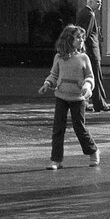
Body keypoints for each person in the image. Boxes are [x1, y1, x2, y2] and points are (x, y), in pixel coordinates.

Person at [38, 25, 99, 169]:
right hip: (61, 97)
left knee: (79, 127)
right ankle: (56, 160)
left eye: (83, 38)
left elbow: (90, 76)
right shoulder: (59, 57)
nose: (81, 40)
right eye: (78, 37)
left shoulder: (84, 58)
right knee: (58, 128)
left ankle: (93, 151)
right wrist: (47, 83)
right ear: (68, 39)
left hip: (78, 99)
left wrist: (87, 87)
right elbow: (54, 74)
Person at [76, 0, 110, 113]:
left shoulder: (83, 12)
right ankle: (100, 103)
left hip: (88, 51)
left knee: (88, 77)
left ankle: (90, 103)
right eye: (98, 1)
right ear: (90, 2)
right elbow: (84, 34)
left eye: (100, 1)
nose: (100, 4)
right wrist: (83, 49)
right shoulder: (90, 15)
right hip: (91, 50)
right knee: (96, 77)